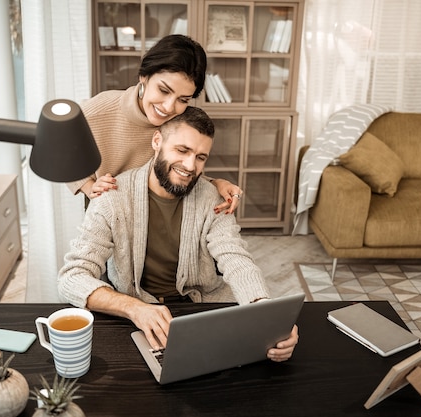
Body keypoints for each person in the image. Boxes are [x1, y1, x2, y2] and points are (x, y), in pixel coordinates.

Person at [58, 106, 299, 362]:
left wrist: (264, 312)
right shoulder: (112, 197)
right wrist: (134, 308)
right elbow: (72, 277)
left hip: (201, 309)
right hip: (135, 317)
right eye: (182, 150)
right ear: (157, 141)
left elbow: (236, 258)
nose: (190, 166)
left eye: (200, 157)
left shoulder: (212, 199)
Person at [67, 34, 242, 214]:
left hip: (156, 215)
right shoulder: (96, 111)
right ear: (144, 76)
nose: (168, 107)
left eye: (183, 99)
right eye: (163, 90)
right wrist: (89, 187)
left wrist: (215, 184)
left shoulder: (179, 121)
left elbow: (179, 169)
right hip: (108, 213)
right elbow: (60, 151)